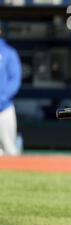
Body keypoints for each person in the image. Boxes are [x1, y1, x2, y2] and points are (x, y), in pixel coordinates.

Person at [0, 23, 22, 156]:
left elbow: (15, 80)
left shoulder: (8, 52)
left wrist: (1, 98)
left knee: (9, 150)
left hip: (4, 109)